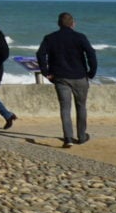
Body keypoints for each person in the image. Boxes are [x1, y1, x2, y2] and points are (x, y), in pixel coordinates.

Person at [37, 11, 99, 147]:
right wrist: (92, 72)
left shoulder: (50, 38)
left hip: (60, 77)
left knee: (65, 108)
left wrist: (45, 72)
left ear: (59, 24)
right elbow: (91, 54)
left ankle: (68, 138)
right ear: (73, 24)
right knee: (81, 106)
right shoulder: (80, 37)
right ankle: (82, 136)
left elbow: (40, 54)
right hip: (80, 76)